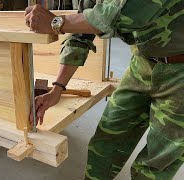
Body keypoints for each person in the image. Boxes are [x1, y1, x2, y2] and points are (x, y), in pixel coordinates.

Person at [25, 0, 184, 179]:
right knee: (106, 140)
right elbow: (81, 33)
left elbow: (119, 14)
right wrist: (57, 89)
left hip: (180, 71)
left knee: (157, 161)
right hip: (143, 61)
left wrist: (57, 23)